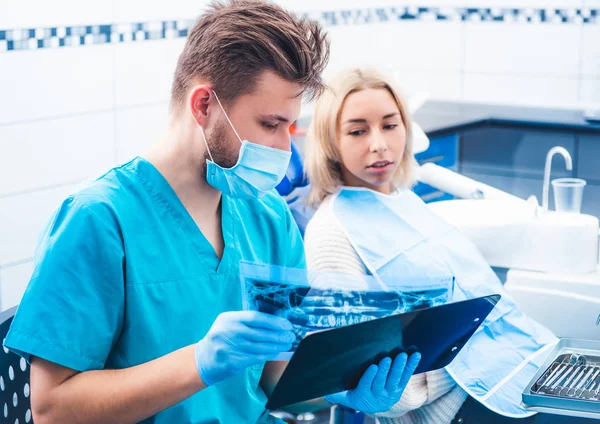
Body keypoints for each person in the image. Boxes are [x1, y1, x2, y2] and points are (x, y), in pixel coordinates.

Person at [3, 3, 420, 423]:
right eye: (270, 124)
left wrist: (343, 389)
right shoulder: (98, 220)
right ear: (203, 105)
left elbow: (277, 383)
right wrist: (198, 362)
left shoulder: (269, 219)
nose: (284, 148)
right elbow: (53, 410)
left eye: (290, 127)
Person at [303, 67, 558, 424]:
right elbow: (360, 373)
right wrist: (451, 366)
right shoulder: (332, 232)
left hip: (519, 364)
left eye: (390, 125)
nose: (379, 144)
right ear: (331, 141)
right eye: (358, 131)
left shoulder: (406, 202)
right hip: (460, 404)